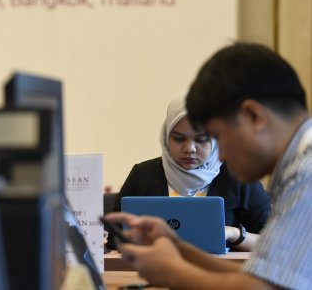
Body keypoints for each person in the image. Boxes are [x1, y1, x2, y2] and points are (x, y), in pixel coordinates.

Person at [106, 42, 312, 289]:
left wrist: (171, 271)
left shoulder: (305, 174)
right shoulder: (296, 167)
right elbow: (262, 276)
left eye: (216, 137)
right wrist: (179, 247)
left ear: (254, 116)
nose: (220, 156)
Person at [113, 94, 271, 251]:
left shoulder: (238, 176)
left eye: (201, 139)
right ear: (166, 138)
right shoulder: (142, 175)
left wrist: (233, 233)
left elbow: (273, 242)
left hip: (219, 272)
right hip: (153, 270)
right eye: (179, 139)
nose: (189, 149)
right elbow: (114, 235)